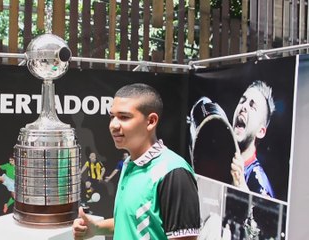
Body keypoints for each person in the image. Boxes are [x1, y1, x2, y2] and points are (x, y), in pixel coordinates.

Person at [72, 83, 200, 240]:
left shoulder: (174, 172)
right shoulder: (129, 164)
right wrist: (97, 228)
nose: (114, 125)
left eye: (124, 117)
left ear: (151, 121)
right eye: (112, 116)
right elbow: (133, 222)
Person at [230, 80, 275, 197]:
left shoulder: (260, 184)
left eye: (252, 106)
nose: (243, 106)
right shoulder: (220, 157)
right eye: (242, 101)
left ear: (261, 131)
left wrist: (241, 188)